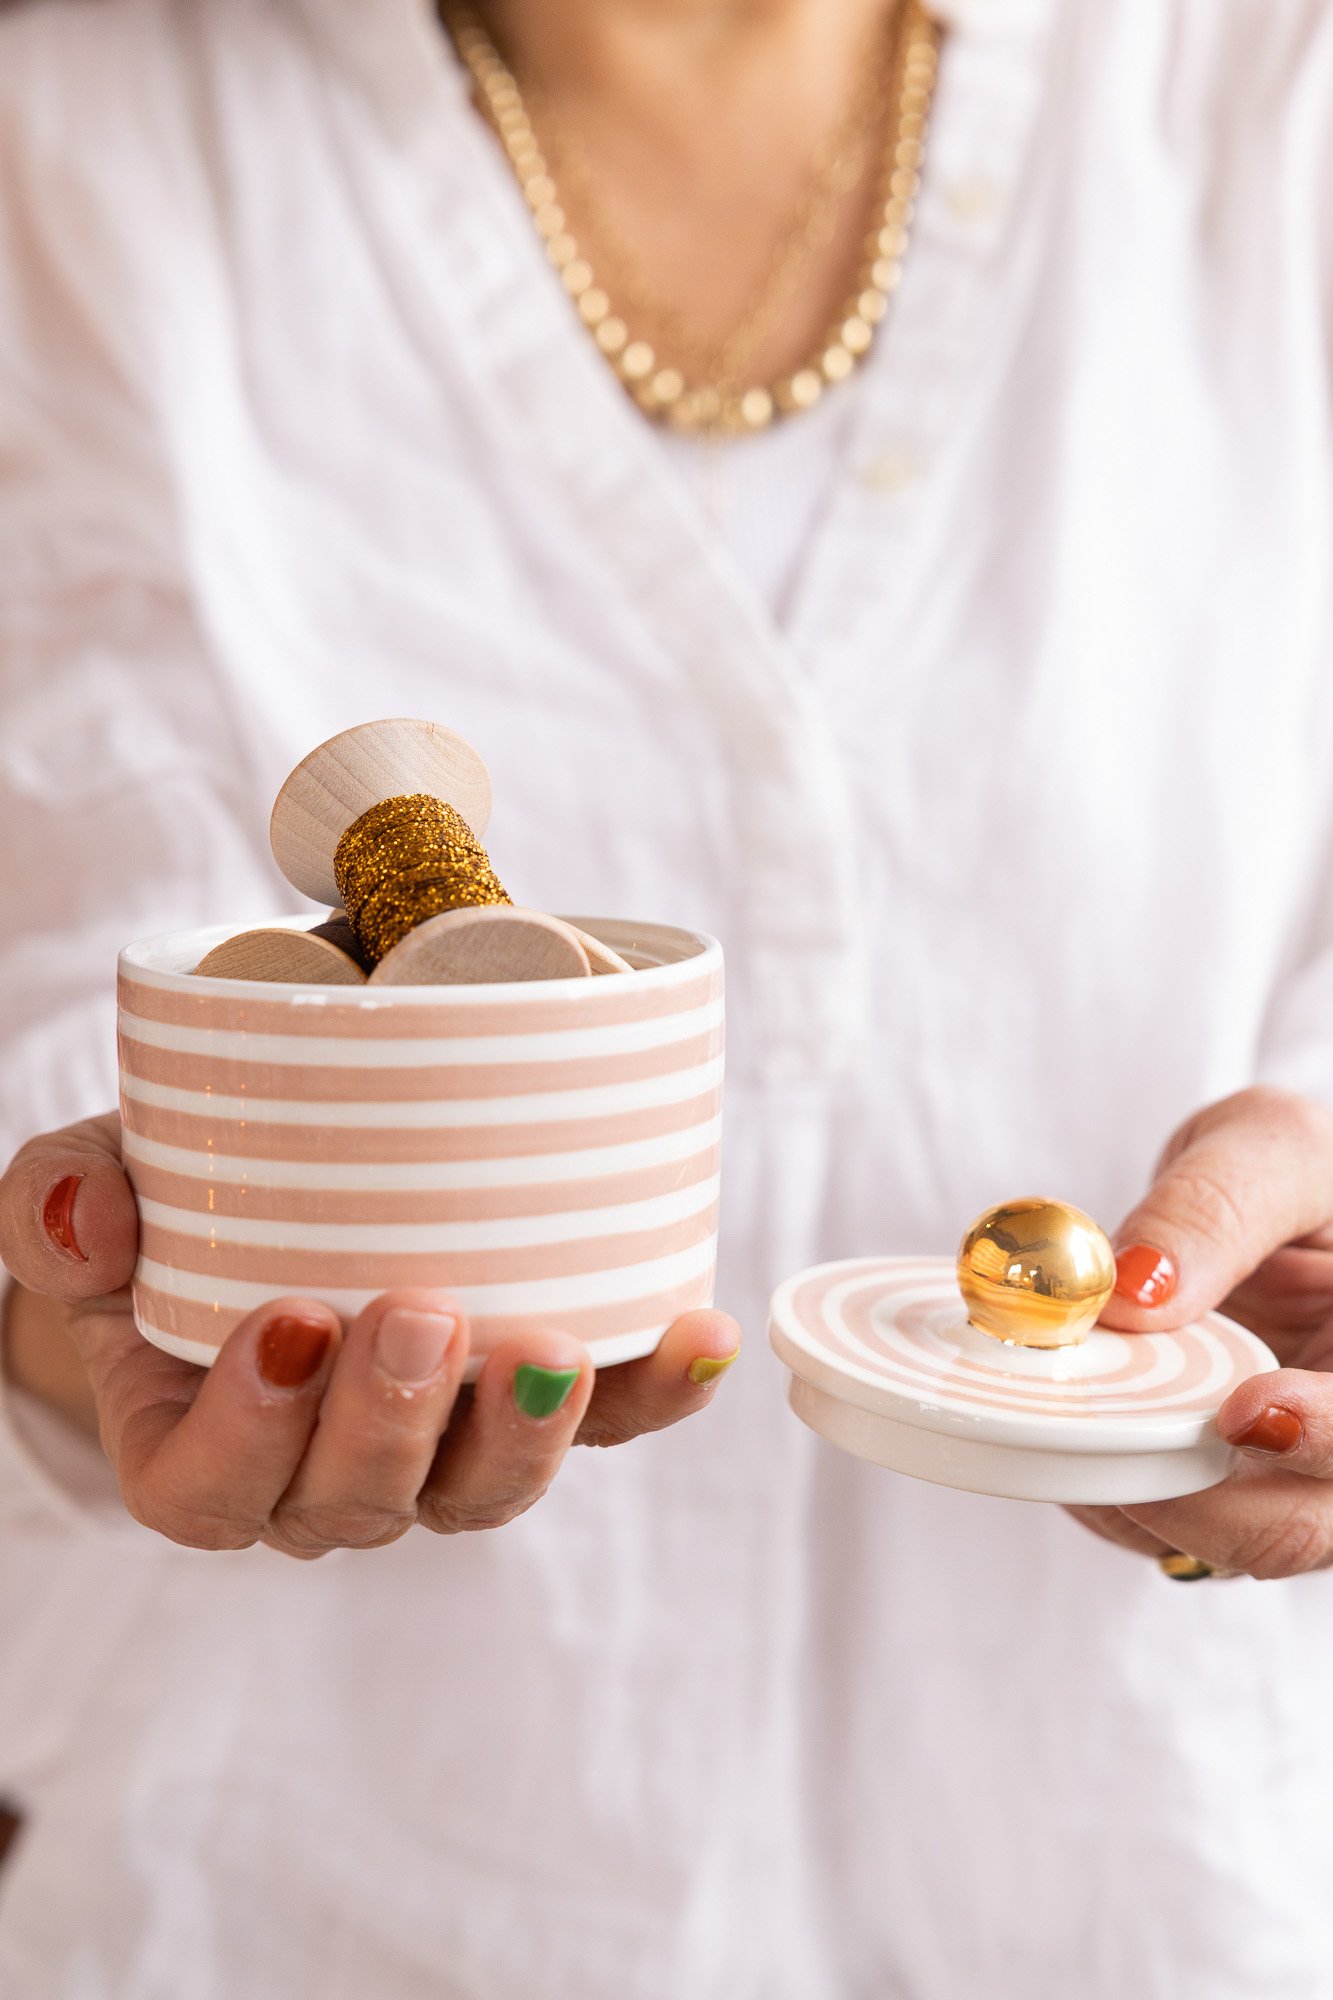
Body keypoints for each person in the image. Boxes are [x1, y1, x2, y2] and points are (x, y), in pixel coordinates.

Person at [2, 0, 1333, 1994]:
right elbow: (60, 1019)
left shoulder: (1268, 91)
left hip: (1147, 1887)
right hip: (293, 1902)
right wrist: (97, 1325)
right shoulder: (67, 132)